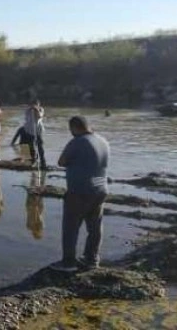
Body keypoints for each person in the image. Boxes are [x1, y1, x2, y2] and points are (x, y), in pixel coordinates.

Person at [50, 116, 110, 272]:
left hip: (80, 190)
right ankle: (92, 259)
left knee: (71, 227)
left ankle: (68, 263)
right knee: (95, 227)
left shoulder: (78, 142)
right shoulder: (103, 140)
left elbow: (61, 162)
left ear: (74, 127)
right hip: (101, 188)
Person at [24, 99, 46, 168]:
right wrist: (31, 108)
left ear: (39, 105)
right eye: (33, 104)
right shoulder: (28, 110)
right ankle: (33, 160)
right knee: (31, 146)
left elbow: (39, 116)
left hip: (38, 131)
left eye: (36, 104)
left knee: (40, 146)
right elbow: (26, 117)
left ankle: (43, 162)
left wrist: (36, 109)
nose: (34, 106)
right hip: (30, 131)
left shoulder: (41, 109)